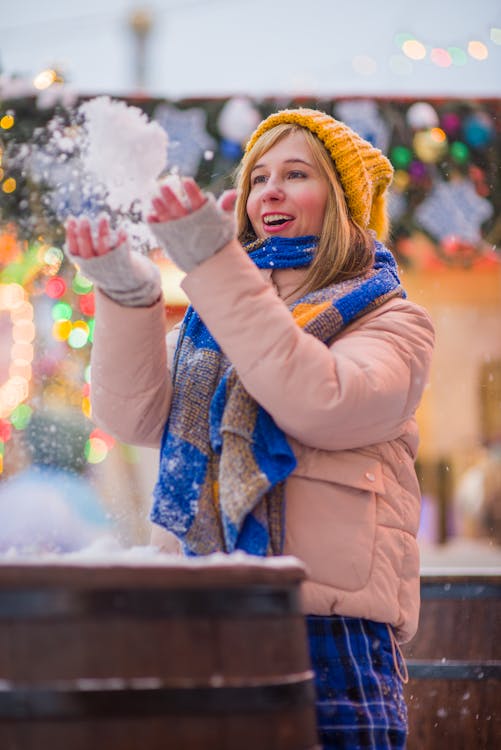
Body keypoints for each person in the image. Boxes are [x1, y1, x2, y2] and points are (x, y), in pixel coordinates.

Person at [65, 107, 435, 749]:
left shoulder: (391, 321)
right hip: (205, 614)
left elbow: (317, 398)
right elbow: (132, 415)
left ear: (344, 202)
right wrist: (129, 298)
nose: (271, 190)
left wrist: (215, 266)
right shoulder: (217, 325)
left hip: (326, 628)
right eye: (259, 176)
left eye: (297, 173)